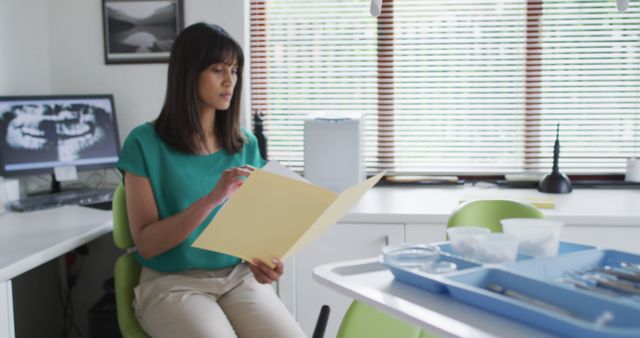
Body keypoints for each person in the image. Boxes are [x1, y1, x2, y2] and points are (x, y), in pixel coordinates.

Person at [116, 22, 306, 338]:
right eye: (218, 69)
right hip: (172, 284)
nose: (230, 81)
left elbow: (254, 226)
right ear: (188, 74)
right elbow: (147, 244)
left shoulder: (245, 144)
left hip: (238, 278)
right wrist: (212, 198)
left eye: (234, 70)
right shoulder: (144, 143)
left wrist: (265, 261)